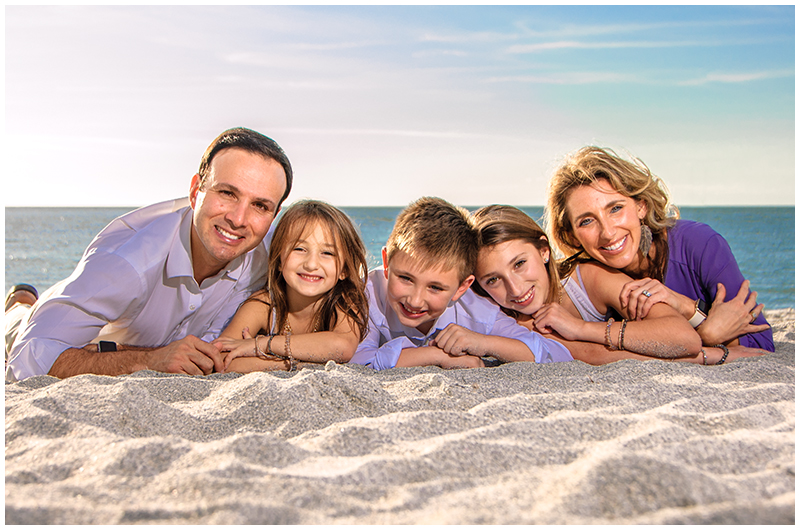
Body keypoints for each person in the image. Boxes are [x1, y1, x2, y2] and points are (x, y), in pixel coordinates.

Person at [6, 127, 293, 381]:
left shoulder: (272, 254)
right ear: (195, 191)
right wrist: (147, 360)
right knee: (17, 324)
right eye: (227, 193)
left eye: (260, 206)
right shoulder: (128, 261)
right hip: (85, 340)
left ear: (274, 214)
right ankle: (19, 305)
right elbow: (27, 359)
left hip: (127, 343)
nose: (239, 219)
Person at [546, 146, 773, 352]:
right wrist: (708, 333)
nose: (608, 232)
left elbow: (761, 345)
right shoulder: (589, 281)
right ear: (572, 237)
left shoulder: (700, 244)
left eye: (615, 208)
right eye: (587, 221)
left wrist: (686, 308)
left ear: (641, 206)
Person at [471, 205, 762, 365]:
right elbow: (590, 355)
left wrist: (582, 328)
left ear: (544, 250)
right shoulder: (511, 320)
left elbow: (682, 337)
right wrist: (706, 356)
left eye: (519, 264)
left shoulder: (588, 278)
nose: (515, 289)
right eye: (493, 280)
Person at [350, 197, 573, 371]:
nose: (415, 300)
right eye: (406, 279)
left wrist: (484, 343)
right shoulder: (365, 293)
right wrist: (437, 356)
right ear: (387, 262)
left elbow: (557, 354)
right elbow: (359, 360)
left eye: (435, 288)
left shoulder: (475, 309)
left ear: (461, 288)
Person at [211, 200, 369, 373]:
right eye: (299, 249)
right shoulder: (264, 305)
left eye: (327, 253)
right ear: (279, 259)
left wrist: (262, 345)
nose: (311, 264)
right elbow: (221, 358)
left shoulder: (344, 301)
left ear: (344, 270)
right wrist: (297, 365)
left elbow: (342, 346)